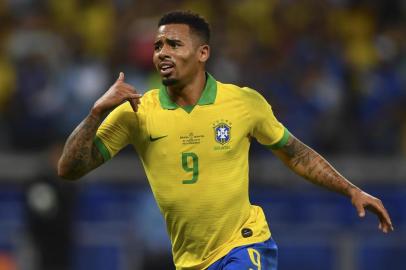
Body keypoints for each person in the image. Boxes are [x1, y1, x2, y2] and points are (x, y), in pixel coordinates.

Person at [58, 10, 394, 270]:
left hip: (245, 245)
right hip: (190, 261)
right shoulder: (136, 111)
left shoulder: (243, 102)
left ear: (203, 53)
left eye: (174, 45)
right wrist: (94, 114)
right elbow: (69, 169)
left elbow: (295, 153)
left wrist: (350, 189)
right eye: (158, 45)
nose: (162, 53)